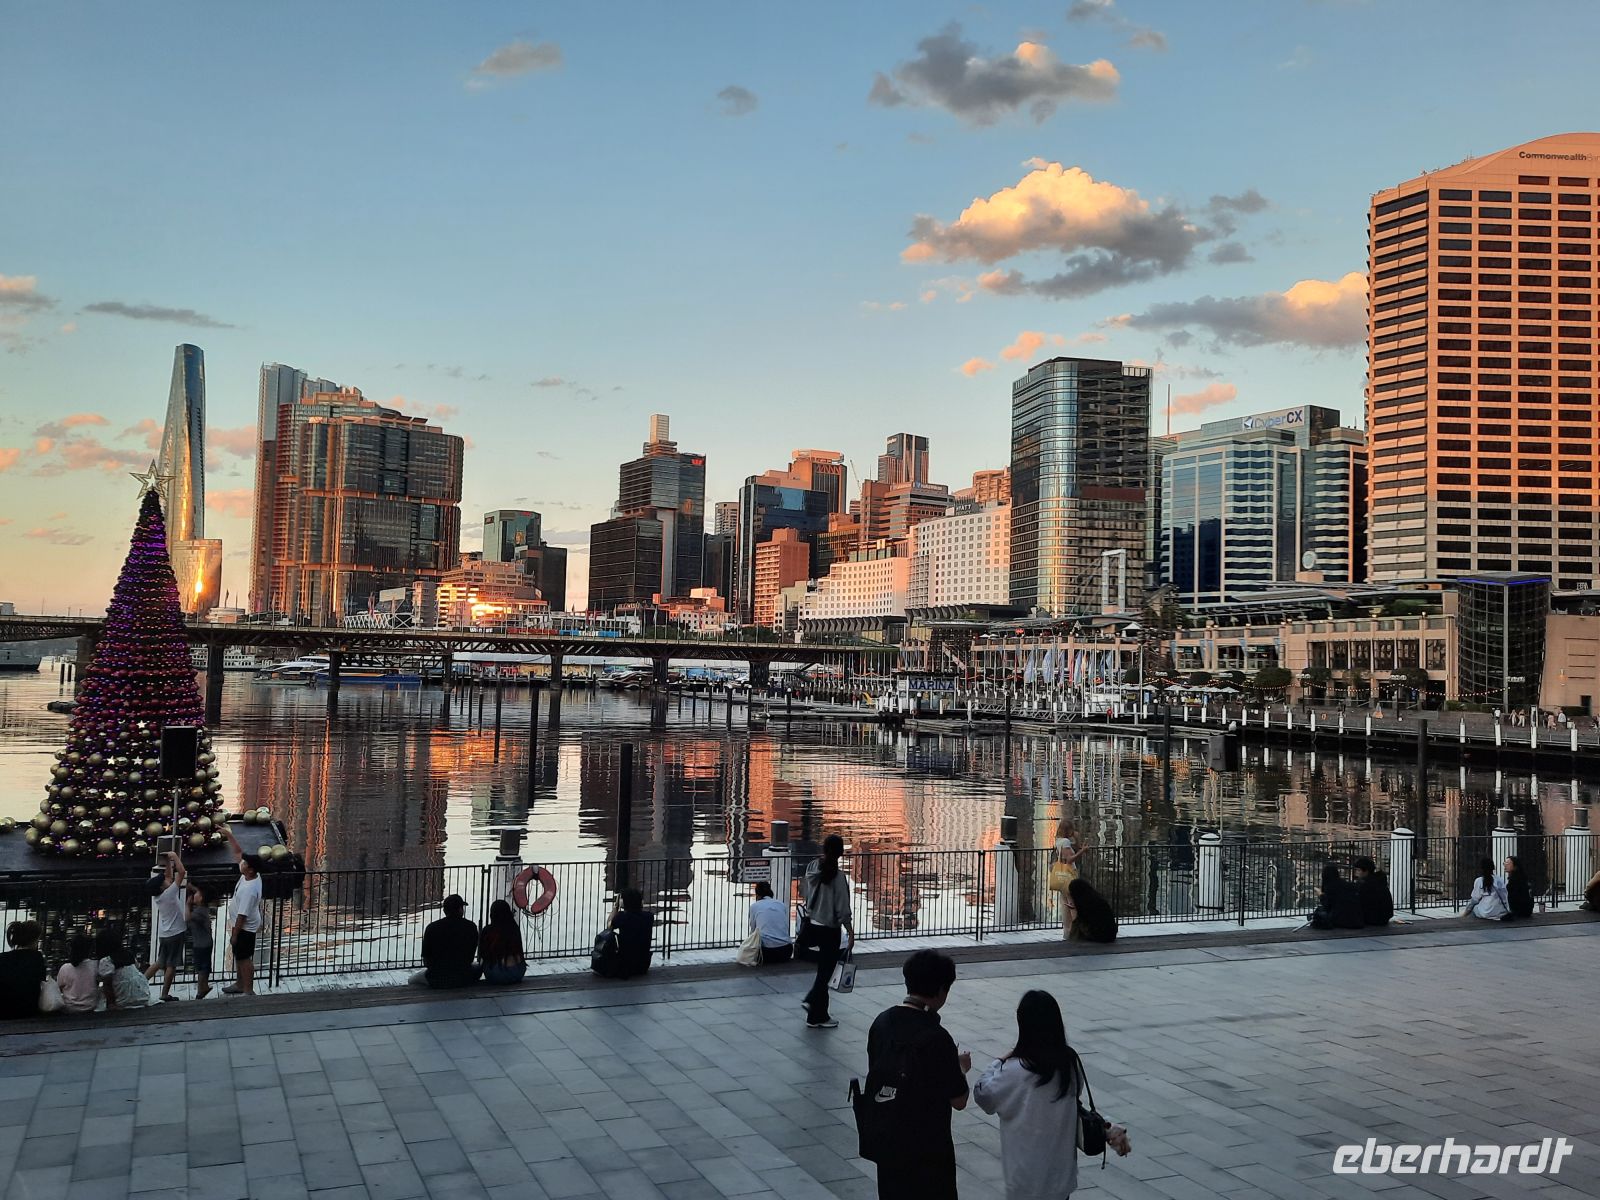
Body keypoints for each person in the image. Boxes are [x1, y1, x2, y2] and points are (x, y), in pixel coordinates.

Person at [974, 991, 1132, 1200]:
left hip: (1025, 1178)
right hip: (1060, 1176)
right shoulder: (1069, 1062)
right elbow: (1074, 1099)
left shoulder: (1013, 1070)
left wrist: (999, 1061)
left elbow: (983, 1095)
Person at [864, 950, 971, 1200]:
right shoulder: (936, 1037)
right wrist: (961, 1068)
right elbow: (959, 1100)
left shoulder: (882, 1023)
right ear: (941, 990)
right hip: (928, 1148)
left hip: (888, 1139)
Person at [802, 834, 855, 1029]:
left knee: (823, 970)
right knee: (826, 972)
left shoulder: (812, 868)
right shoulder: (838, 877)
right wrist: (850, 931)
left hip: (812, 924)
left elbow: (805, 893)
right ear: (841, 852)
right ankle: (811, 1000)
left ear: (823, 849)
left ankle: (817, 1016)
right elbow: (842, 908)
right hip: (830, 929)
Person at [222, 825, 263, 996]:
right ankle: (239, 984)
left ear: (251, 869)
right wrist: (228, 835)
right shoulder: (250, 875)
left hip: (245, 928)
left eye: (245, 863)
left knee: (245, 958)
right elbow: (238, 853)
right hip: (242, 926)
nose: (241, 863)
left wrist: (234, 934)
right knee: (239, 956)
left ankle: (248, 990)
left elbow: (242, 916)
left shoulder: (249, 889)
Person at [411, 895, 481, 987]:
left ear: (444, 911)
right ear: (460, 909)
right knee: (477, 967)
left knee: (411, 980)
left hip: (436, 978)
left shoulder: (432, 928)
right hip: (463, 977)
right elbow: (470, 957)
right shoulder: (471, 927)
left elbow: (426, 961)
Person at [152, 852, 189, 1002]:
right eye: (165, 881)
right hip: (176, 933)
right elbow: (181, 872)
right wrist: (175, 857)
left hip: (164, 933)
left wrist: (168, 862)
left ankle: (141, 983)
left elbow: (168, 877)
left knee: (159, 962)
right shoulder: (170, 893)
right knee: (171, 965)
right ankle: (164, 993)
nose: (168, 880)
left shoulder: (159, 896)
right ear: (163, 886)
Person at [96, 927, 151, 1010]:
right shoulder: (128, 954)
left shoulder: (107, 960)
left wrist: (111, 1004)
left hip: (123, 1000)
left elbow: (107, 984)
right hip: (142, 996)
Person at [0, 921, 46, 1020]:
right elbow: (42, 981)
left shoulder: (2, 958)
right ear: (34, 940)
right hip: (29, 1010)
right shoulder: (37, 958)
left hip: (4, 1011)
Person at [608, 888, 655, 979]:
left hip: (625, 965)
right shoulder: (649, 917)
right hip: (643, 965)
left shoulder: (622, 917)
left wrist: (615, 907)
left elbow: (609, 926)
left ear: (623, 903)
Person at [478, 899, 527, 985]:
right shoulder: (514, 928)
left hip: (495, 974)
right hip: (518, 972)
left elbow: (483, 954)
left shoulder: (488, 930)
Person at [747, 880, 794, 964]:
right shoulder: (781, 904)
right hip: (787, 950)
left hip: (767, 953)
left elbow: (753, 931)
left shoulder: (754, 906)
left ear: (757, 895)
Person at [1310, 862, 1364, 930]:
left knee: (1318, 912)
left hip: (1341, 920)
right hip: (1357, 920)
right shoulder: (1345, 884)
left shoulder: (1330, 887)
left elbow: (1327, 905)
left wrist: (1321, 895)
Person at [56, 934, 100, 1015]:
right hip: (91, 1007)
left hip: (69, 1008)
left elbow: (58, 988)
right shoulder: (95, 965)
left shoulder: (65, 968)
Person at [1065, 878, 1118, 944]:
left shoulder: (1083, 903)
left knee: (1077, 923)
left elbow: (1079, 920)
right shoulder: (1098, 899)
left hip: (1098, 935)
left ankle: (1072, 941)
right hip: (1111, 935)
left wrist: (1074, 910)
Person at [188, 881, 215, 999]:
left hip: (200, 944)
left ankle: (200, 990)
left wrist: (187, 905)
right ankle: (205, 986)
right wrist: (192, 887)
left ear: (201, 898)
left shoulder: (199, 912)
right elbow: (201, 894)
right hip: (206, 942)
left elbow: (187, 917)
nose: (194, 895)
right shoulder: (203, 907)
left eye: (196, 894)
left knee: (201, 968)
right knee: (206, 966)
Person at [1353, 856, 1394, 927]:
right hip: (1384, 918)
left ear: (1366, 871)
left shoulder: (1366, 884)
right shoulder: (1379, 881)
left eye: (1358, 870)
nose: (1356, 873)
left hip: (1373, 918)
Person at [1504, 856, 1535, 920]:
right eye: (1504, 863)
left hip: (1519, 911)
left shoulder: (1515, 880)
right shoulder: (1522, 878)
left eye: (1508, 864)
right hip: (1526, 911)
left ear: (1515, 866)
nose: (1505, 865)